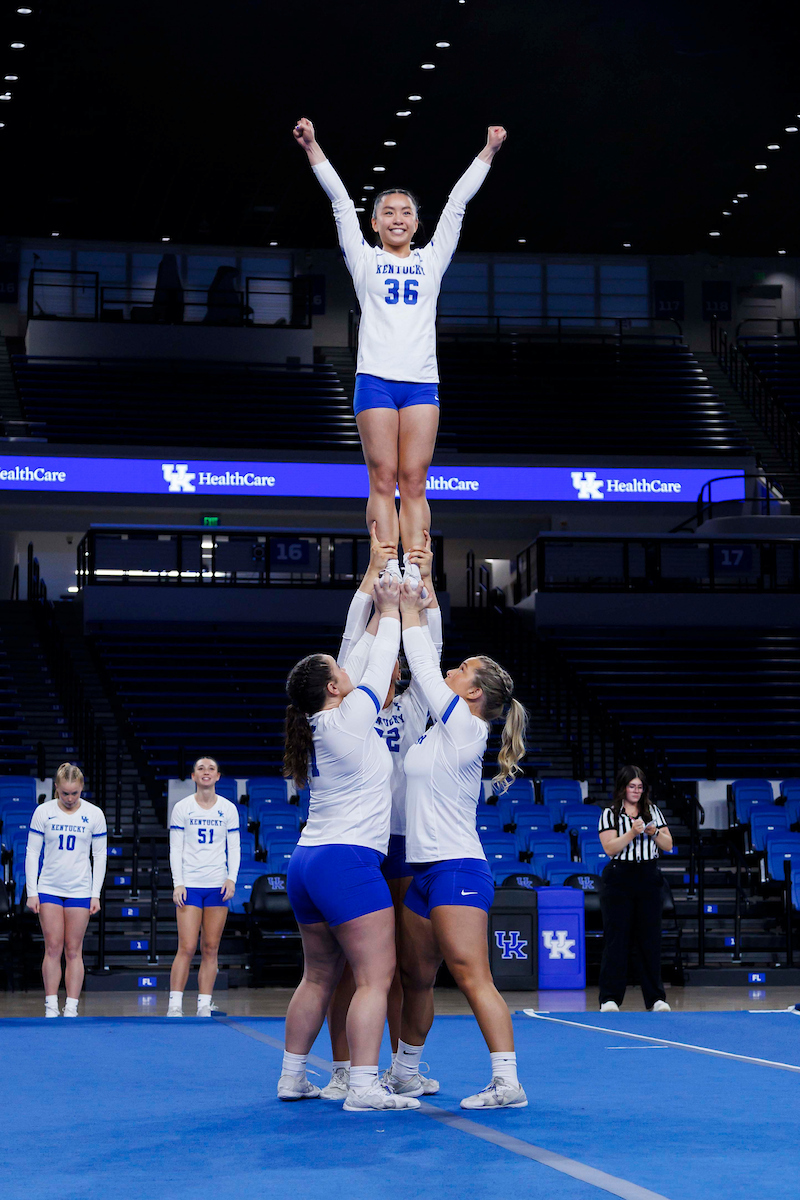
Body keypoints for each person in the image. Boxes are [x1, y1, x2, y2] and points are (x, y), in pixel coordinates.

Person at [293, 116, 506, 579]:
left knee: (413, 481)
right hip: (375, 380)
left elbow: (457, 204)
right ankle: (386, 562)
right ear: (374, 223)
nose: (397, 218)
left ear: (416, 223)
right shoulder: (364, 260)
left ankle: (419, 569)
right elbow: (339, 201)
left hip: (421, 383)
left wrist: (488, 151)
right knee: (383, 477)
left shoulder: (432, 259)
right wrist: (312, 147)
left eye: (405, 212)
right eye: (387, 212)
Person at [386, 579, 529, 1110]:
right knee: (415, 976)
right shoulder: (438, 729)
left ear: (473, 693)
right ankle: (404, 1074)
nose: (453, 669)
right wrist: (422, 596)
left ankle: (507, 1082)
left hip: (457, 868)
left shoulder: (467, 727)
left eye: (462, 668)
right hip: (424, 870)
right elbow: (426, 673)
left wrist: (412, 608)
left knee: (471, 976)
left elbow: (425, 666)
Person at [279, 574, 419, 1113]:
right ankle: (362, 1085)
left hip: (306, 862)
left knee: (317, 975)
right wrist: (390, 608)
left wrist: (370, 593)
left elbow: (355, 649)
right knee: (375, 977)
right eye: (338, 672)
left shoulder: (323, 721)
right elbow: (377, 659)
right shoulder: (351, 719)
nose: (345, 669)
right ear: (334, 688)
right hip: (347, 861)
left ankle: (292, 1076)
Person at [320, 532, 442, 1102]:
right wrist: (372, 575)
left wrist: (425, 583)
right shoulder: (350, 705)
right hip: (361, 842)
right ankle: (343, 1067)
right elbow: (352, 638)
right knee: (354, 966)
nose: (390, 668)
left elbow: (430, 647)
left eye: (396, 664)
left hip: (405, 842)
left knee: (397, 966)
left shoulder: (417, 705)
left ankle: (396, 1067)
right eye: (383, 662)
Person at [24, 762, 107, 1017]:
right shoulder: (43, 812)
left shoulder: (94, 814)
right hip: (49, 887)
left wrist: (95, 893)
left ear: (82, 788)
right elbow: (32, 852)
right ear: (56, 788)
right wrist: (32, 891)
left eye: (74, 793)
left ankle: (71, 1007)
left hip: (79, 889)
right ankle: (51, 1006)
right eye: (64, 793)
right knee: (53, 947)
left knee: (73, 949)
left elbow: (100, 855)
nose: (70, 798)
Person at [167, 756, 241, 1017]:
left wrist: (231, 878)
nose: (206, 772)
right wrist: (178, 883)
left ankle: (204, 1005)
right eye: (201, 768)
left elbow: (234, 847)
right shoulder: (182, 808)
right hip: (190, 886)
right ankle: (175, 1005)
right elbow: (175, 848)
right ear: (193, 776)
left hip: (217, 886)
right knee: (187, 947)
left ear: (218, 776)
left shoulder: (228, 809)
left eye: (211, 768)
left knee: (211, 948)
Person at [597, 766, 673, 1013]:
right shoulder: (610, 814)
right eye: (632, 786)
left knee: (650, 940)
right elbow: (610, 848)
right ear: (623, 787)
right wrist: (632, 832)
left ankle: (655, 998)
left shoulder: (653, 811)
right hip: (620, 877)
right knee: (616, 939)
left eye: (640, 787)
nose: (636, 791)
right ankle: (610, 998)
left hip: (648, 876)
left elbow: (668, 844)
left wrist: (654, 832)